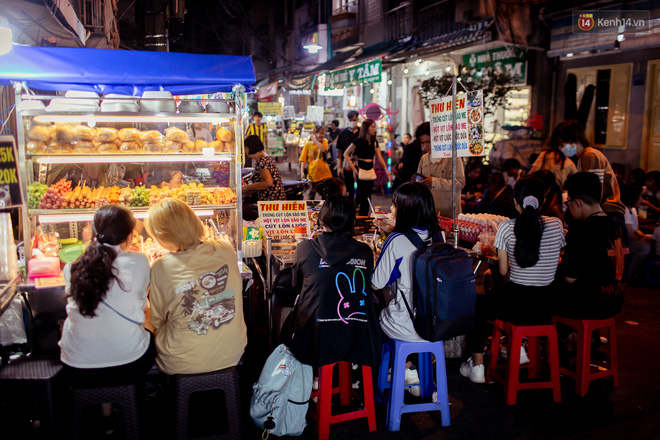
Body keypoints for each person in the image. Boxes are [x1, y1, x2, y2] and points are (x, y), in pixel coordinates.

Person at [460, 177, 566, 383]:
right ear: (542, 201)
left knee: (478, 304)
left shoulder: (507, 228)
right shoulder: (557, 225)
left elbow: (503, 270)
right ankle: (518, 348)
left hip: (516, 307)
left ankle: (478, 366)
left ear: (516, 202)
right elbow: (557, 257)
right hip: (547, 306)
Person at [59, 205, 155, 391]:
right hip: (129, 366)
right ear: (129, 237)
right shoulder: (140, 261)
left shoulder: (71, 267)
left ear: (93, 232)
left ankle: (105, 410)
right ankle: (136, 403)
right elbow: (142, 305)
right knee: (150, 329)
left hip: (76, 368)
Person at [147, 198, 247, 374]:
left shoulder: (160, 267)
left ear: (163, 236)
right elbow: (194, 254)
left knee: (146, 322)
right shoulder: (225, 248)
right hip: (232, 352)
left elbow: (157, 320)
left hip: (181, 361)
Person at [285, 196, 381, 368]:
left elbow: (295, 286)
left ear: (321, 219)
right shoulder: (365, 252)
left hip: (314, 337)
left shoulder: (304, 248)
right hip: (357, 336)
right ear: (352, 222)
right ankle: (352, 376)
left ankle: (312, 377)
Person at [553, 172, 629, 319]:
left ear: (577, 202)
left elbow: (569, 277)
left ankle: (554, 338)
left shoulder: (582, 229)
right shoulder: (619, 225)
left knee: (539, 289)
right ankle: (583, 337)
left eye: (568, 203)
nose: (569, 208)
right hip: (615, 302)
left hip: (587, 306)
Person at [372, 182, 441, 342]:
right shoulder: (439, 237)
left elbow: (376, 283)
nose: (391, 209)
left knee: (373, 307)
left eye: (394, 205)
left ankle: (405, 365)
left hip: (406, 326)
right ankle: (414, 364)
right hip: (436, 325)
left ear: (406, 210)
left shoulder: (396, 240)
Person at [552, 120, 625, 220]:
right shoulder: (583, 158)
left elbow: (594, 193)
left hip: (608, 212)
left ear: (573, 138)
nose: (560, 148)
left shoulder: (590, 156)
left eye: (561, 143)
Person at [415, 121, 466, 218]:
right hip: (428, 212)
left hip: (448, 214)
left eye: (428, 142)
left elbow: (460, 182)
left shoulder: (452, 157)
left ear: (438, 138)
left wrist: (433, 182)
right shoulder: (424, 158)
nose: (425, 147)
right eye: (422, 143)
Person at [343, 119, 392, 216]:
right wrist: (353, 168)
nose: (374, 129)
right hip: (360, 170)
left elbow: (379, 157)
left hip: (370, 170)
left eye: (374, 127)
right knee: (364, 197)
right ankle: (361, 216)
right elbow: (346, 154)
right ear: (366, 128)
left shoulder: (374, 142)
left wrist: (386, 170)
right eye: (372, 127)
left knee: (368, 196)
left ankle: (360, 215)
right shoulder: (358, 141)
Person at [621, 184, 651, 283]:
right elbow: (630, 234)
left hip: (628, 242)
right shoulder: (624, 210)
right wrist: (641, 240)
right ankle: (630, 275)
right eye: (640, 197)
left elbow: (634, 229)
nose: (642, 200)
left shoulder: (631, 210)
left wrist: (643, 237)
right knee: (644, 247)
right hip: (622, 245)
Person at [242, 135, 286, 201]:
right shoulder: (263, 158)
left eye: (246, 148)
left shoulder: (263, 161)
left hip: (272, 203)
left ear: (250, 148)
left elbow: (268, 182)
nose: (245, 151)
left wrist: (247, 187)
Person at [299, 125, 332, 200]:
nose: (322, 135)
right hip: (313, 174)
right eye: (320, 133)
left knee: (325, 194)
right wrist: (302, 172)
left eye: (323, 133)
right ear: (315, 133)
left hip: (324, 173)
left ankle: (324, 209)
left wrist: (315, 140)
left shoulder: (324, 141)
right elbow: (303, 160)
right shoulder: (308, 145)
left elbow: (324, 150)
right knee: (312, 193)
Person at [336, 110, 360, 203]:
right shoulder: (343, 133)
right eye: (351, 120)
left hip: (359, 163)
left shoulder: (361, 132)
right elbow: (340, 151)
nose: (353, 122)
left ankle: (358, 204)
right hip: (347, 163)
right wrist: (339, 166)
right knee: (349, 186)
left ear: (357, 119)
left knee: (360, 186)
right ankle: (350, 205)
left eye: (354, 119)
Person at [392, 124, 425, 191]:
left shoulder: (410, 148)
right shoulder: (407, 147)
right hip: (417, 180)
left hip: (411, 180)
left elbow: (405, 168)